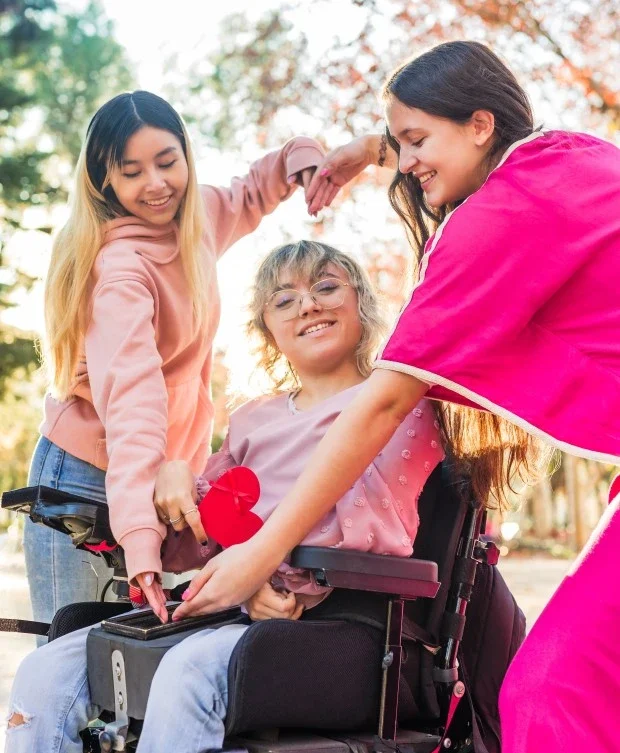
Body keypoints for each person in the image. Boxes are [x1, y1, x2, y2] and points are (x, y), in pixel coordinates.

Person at [173, 42, 620, 753]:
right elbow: (451, 134)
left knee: (554, 691)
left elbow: (380, 404)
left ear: (478, 126)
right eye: (400, 142)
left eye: (416, 141)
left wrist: (261, 554)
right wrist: (369, 150)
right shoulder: (567, 154)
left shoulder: (495, 217)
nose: (407, 161)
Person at [6, 240, 444, 751]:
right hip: (236, 603)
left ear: (362, 304)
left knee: (186, 673)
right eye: (285, 300)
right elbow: (204, 529)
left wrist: (266, 568)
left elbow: (368, 520)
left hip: (339, 616)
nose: (309, 304)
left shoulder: (396, 404)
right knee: (46, 669)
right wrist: (171, 483)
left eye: (326, 287)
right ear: (268, 331)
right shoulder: (254, 419)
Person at [23, 90, 325, 629]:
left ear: (185, 155)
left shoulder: (198, 218)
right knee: (75, 657)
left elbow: (251, 192)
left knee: (139, 665)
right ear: (104, 181)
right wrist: (140, 544)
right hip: (88, 475)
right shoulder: (120, 271)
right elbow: (134, 402)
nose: (157, 184)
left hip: (161, 476)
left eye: (167, 162)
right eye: (132, 171)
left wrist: (298, 158)